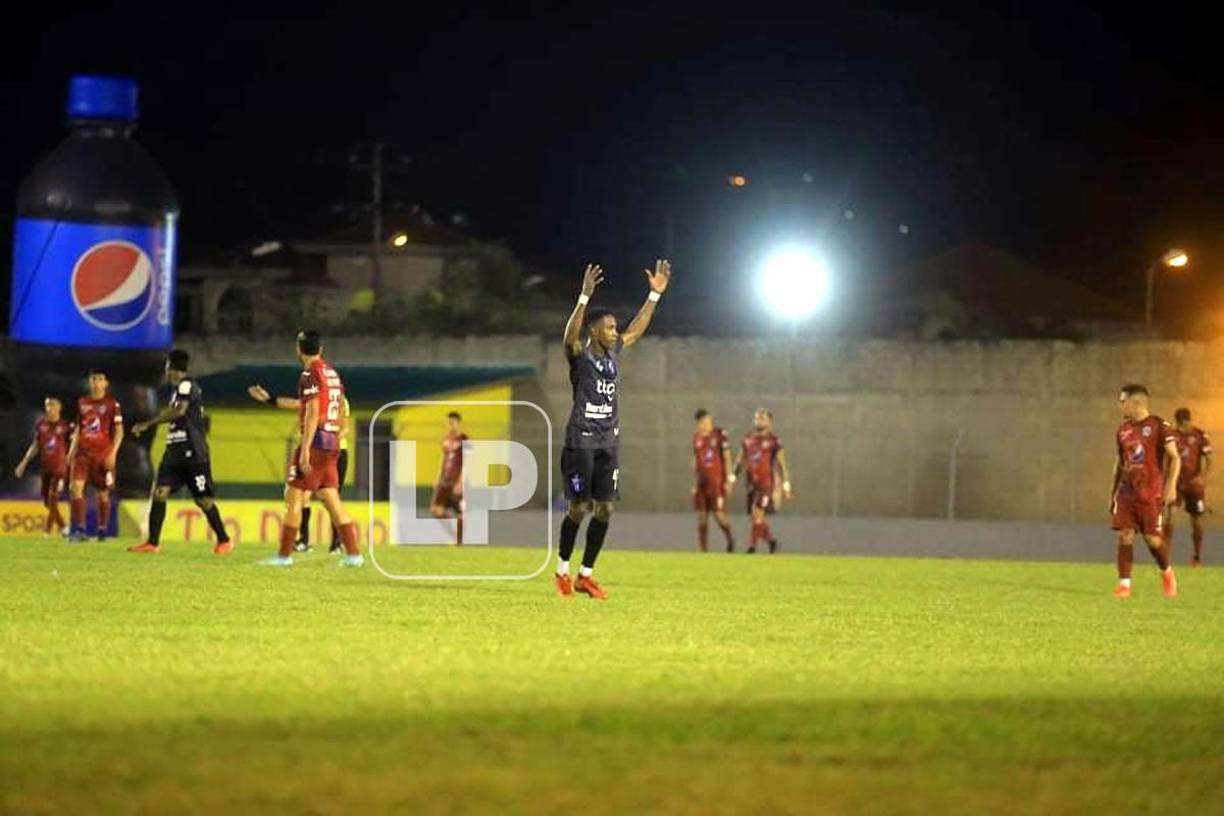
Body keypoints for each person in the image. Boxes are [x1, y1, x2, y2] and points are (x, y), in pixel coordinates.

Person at [554, 260, 670, 599]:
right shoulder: (580, 356)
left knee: (605, 508)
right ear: (594, 331)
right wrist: (583, 298)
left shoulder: (613, 353)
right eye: (608, 327)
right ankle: (561, 569)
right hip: (581, 442)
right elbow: (568, 339)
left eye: (614, 327)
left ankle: (585, 575)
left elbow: (636, 330)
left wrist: (654, 295)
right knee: (579, 507)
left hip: (608, 442)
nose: (615, 332)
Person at [259, 330, 363, 567]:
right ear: (321, 349)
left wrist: (305, 448)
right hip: (332, 443)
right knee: (331, 498)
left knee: (293, 495)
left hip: (316, 442)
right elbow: (335, 411)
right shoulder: (332, 374)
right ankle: (354, 554)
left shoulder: (310, 373)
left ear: (298, 349)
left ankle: (284, 556)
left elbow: (314, 410)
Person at [127, 349, 233, 554]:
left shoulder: (186, 385)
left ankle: (224, 540)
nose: (165, 371)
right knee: (159, 493)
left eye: (167, 366)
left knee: (204, 500)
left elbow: (180, 411)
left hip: (193, 453)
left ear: (171, 367)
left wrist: (148, 424)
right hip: (174, 451)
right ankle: (152, 543)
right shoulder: (177, 390)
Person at [248, 384, 351, 553]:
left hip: (335, 454)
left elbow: (345, 427)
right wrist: (269, 399)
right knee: (302, 496)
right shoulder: (313, 398)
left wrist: (329, 442)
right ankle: (303, 540)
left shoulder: (339, 400)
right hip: (311, 452)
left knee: (331, 499)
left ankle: (336, 544)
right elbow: (294, 404)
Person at [1110, 384, 1179, 598]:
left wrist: (1171, 486)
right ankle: (1124, 585)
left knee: (1153, 540)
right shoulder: (1122, 430)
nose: (1120, 406)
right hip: (1126, 492)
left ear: (1134, 402)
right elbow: (1120, 463)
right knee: (1125, 535)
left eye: (1122, 401)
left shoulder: (1159, 426)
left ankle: (1166, 572)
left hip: (1150, 493)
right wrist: (1113, 493)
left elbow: (1175, 457)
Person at [66, 369, 123, 541]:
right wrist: (71, 450)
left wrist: (113, 453)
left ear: (106, 383)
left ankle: (102, 530)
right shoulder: (82, 402)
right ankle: (81, 530)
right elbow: (79, 428)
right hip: (83, 454)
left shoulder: (113, 404)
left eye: (100, 379)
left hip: (102, 455)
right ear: (89, 382)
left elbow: (119, 431)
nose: (96, 382)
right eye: (93, 379)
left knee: (102, 493)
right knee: (75, 488)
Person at [733, 408, 791, 554]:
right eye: (757, 418)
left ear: (769, 422)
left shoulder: (774, 441)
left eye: (762, 418)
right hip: (750, 483)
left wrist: (786, 484)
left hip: (766, 484)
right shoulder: (748, 438)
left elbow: (781, 463)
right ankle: (772, 541)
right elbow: (740, 459)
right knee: (754, 519)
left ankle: (751, 547)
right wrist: (732, 477)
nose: (759, 420)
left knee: (758, 514)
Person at [14, 396, 72, 537]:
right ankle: (64, 527)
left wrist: (71, 460)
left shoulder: (66, 426)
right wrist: (23, 463)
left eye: (52, 405)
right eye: (47, 405)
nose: (49, 408)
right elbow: (35, 446)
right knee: (47, 501)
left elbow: (75, 445)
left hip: (60, 468)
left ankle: (47, 531)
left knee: (53, 498)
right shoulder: (41, 425)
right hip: (46, 468)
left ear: (59, 407)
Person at [1170, 406, 1212, 567]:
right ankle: (1165, 556)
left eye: (1184, 424)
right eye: (1179, 425)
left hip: (1194, 486)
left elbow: (1209, 460)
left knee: (1196, 522)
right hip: (1176, 484)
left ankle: (1196, 557)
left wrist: (1202, 477)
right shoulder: (1172, 436)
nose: (1181, 428)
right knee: (1169, 516)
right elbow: (1166, 458)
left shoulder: (1200, 436)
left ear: (1188, 421)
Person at [692, 409, 735, 552]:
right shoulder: (696, 438)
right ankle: (703, 550)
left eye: (709, 421)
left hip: (716, 482)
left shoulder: (719, 435)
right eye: (704, 422)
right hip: (701, 483)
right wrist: (695, 482)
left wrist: (729, 480)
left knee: (719, 515)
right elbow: (696, 461)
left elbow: (727, 456)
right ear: (699, 423)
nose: (708, 424)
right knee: (702, 516)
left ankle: (730, 540)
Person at [431, 411, 467, 546]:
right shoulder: (446, 439)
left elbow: (468, 462)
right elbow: (444, 460)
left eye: (452, 423)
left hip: (456, 480)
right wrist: (438, 477)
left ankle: (458, 542)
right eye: (448, 423)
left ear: (458, 423)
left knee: (460, 512)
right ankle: (454, 536)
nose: (450, 426)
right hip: (445, 481)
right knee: (436, 510)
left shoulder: (464, 439)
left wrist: (461, 481)